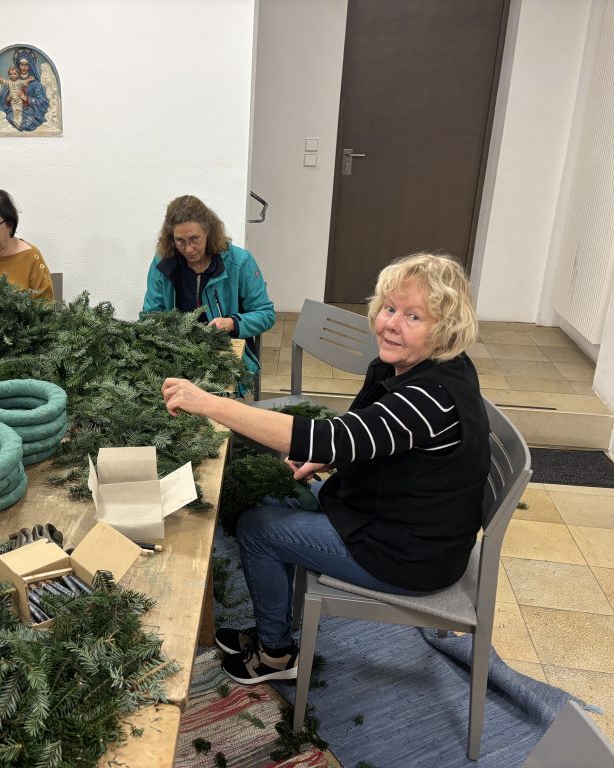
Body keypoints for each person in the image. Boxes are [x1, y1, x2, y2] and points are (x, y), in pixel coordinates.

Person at [162, 252, 489, 685]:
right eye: (389, 308)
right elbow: (362, 436)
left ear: (445, 328)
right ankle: (275, 625)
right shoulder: (406, 366)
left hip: (409, 554)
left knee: (258, 529)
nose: (391, 324)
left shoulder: (429, 397)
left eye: (414, 316)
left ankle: (275, 655)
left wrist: (209, 403)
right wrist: (330, 456)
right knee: (270, 494)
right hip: (388, 514)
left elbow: (325, 435)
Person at [141, 195, 275, 383]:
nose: (189, 249)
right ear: (171, 238)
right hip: (176, 354)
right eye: (180, 241)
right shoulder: (162, 263)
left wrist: (232, 323)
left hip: (224, 354)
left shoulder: (239, 262)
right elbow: (150, 316)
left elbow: (266, 314)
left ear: (209, 231)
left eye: (194, 239)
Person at [0, 52, 50, 132]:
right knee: (11, 119)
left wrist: (27, 99)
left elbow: (43, 102)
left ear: (30, 66)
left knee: (27, 124)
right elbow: (2, 102)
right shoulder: (11, 82)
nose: (23, 68)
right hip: (14, 110)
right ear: (18, 65)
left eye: (26, 65)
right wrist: (7, 100)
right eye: (21, 65)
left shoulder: (35, 83)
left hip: (30, 112)